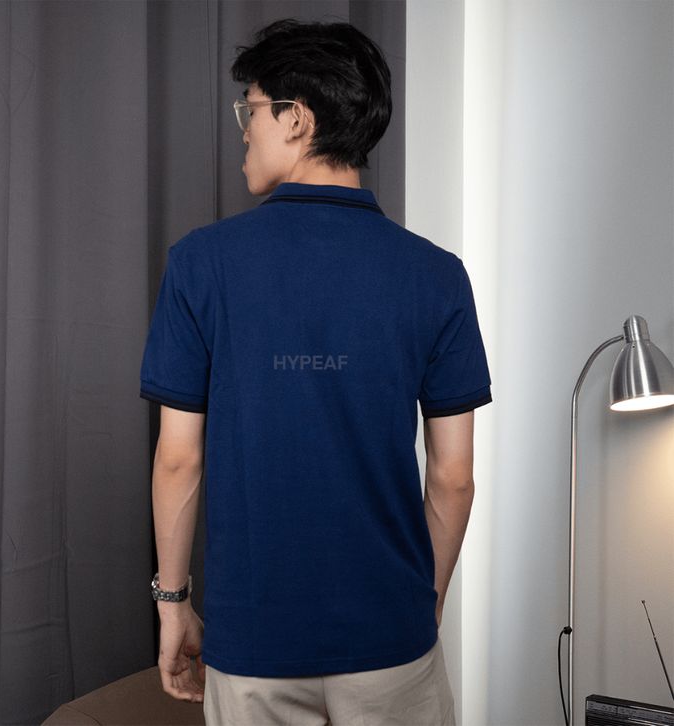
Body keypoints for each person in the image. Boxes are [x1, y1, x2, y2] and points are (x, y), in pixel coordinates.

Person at [139, 17, 492, 726]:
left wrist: (172, 605)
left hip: (253, 644)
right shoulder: (438, 276)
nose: (245, 131)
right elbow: (453, 477)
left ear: (296, 118)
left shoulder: (200, 264)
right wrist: (420, 606)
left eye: (252, 111)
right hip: (390, 640)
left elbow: (179, 459)